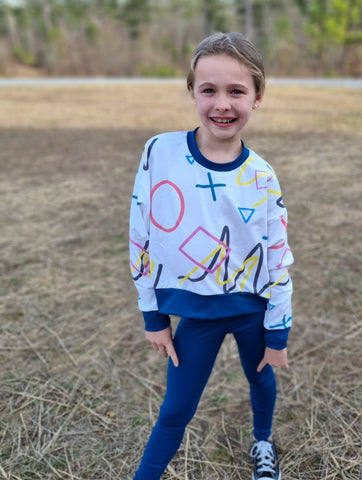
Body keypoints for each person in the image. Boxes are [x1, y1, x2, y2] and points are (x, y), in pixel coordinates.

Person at [129, 32, 293, 480]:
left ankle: (263, 442)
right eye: (209, 90)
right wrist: (152, 313)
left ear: (257, 97)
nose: (223, 103)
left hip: (252, 311)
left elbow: (278, 256)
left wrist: (278, 329)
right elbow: (141, 232)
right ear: (192, 91)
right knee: (176, 409)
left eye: (237, 91)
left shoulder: (261, 176)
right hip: (195, 317)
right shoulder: (159, 152)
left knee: (260, 378)